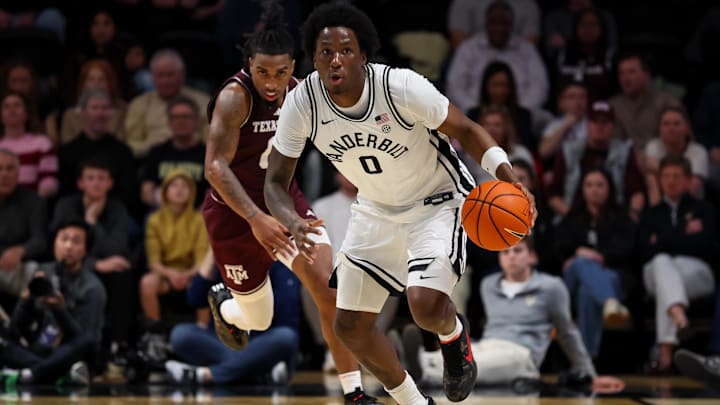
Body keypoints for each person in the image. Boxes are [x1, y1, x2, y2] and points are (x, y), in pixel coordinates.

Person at [263, 3, 536, 404]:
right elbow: (274, 182)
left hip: (437, 202)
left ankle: (453, 336)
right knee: (350, 326)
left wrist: (509, 179)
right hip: (375, 208)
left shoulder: (401, 87)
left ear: (363, 54)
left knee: (424, 307)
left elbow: (467, 128)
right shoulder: (302, 103)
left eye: (345, 50)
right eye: (325, 52)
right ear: (314, 58)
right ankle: (414, 402)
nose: (335, 60)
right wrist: (290, 218)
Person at [201, 3, 379, 404]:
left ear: (293, 67)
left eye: (281, 72)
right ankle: (225, 304)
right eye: (263, 72)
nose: (271, 82)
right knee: (257, 320)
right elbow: (214, 168)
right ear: (249, 63)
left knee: (329, 289)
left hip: (284, 205)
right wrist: (254, 219)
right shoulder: (235, 97)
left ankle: (354, 393)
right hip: (233, 215)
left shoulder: (301, 92)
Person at [404, 238, 624, 393]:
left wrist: (589, 374)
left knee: (482, 363)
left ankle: (421, 373)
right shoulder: (489, 285)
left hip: (523, 354)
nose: (511, 257)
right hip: (489, 343)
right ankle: (415, 362)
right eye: (505, 252)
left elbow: (567, 332)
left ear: (532, 256)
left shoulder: (551, 287)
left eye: (518, 251)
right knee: (469, 353)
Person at [0, 218, 105, 387]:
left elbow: (83, 339)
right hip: (40, 351)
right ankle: (55, 375)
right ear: (55, 243)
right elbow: (15, 330)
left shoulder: (92, 287)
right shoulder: (42, 272)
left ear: (85, 249)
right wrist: (25, 300)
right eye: (64, 239)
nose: (68, 246)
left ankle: (30, 374)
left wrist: (60, 310)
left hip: (70, 355)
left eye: (76, 241)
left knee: (89, 341)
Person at [165, 258, 300, 386]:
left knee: (286, 336)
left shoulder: (276, 260)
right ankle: (255, 372)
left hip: (261, 340)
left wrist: (251, 298)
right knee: (181, 334)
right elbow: (194, 299)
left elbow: (288, 316)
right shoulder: (225, 255)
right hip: (222, 340)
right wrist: (212, 254)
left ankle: (207, 374)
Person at [638, 155, 716, 372]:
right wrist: (683, 236)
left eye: (677, 176)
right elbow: (645, 251)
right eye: (666, 176)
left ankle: (664, 352)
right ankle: (679, 319)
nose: (671, 181)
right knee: (662, 263)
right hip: (655, 272)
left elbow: (705, 244)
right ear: (660, 179)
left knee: (666, 279)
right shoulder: (651, 213)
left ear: (689, 180)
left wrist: (663, 239)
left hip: (695, 271)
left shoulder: (704, 209)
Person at [554, 168, 634, 358]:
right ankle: (610, 301)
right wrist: (577, 253)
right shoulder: (572, 218)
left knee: (586, 292)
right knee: (580, 264)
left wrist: (601, 257)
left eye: (600, 185)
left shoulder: (621, 218)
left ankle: (587, 357)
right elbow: (556, 250)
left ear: (609, 189)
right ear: (582, 189)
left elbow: (628, 250)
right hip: (572, 278)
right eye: (589, 185)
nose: (594, 190)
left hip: (610, 274)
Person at [0, 149, 47, 308]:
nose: (4, 174)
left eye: (10, 168)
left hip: (20, 266)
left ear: (19, 172)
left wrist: (21, 250)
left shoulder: (34, 201)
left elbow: (40, 240)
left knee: (39, 276)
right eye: (0, 168)